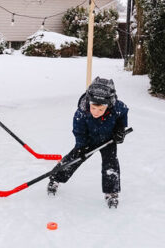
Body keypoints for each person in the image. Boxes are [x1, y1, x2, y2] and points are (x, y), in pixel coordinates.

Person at [47, 76, 129, 208]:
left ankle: (111, 192)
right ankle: (55, 178)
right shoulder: (82, 111)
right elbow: (78, 131)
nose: (96, 112)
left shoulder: (117, 107)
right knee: (74, 158)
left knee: (111, 164)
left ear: (109, 104)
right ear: (89, 102)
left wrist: (120, 130)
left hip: (108, 140)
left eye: (101, 109)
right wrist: (81, 145)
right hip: (88, 140)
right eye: (94, 108)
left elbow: (123, 114)